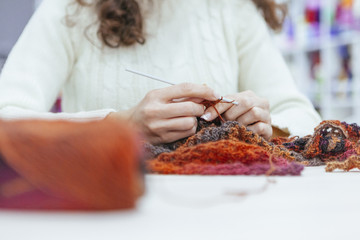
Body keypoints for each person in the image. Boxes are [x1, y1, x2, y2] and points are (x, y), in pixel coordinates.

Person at [0, 0, 321, 145]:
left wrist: (264, 124)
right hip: (105, 215)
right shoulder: (71, 9)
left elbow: (302, 115)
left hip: (223, 216)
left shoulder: (232, 8)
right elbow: (6, 121)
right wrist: (120, 125)